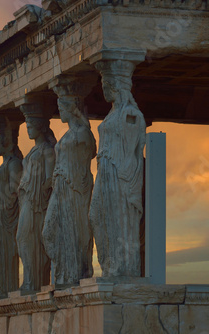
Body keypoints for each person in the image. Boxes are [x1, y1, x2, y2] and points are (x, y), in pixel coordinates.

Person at [90, 60, 146, 277]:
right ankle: (108, 266)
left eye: (107, 84)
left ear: (118, 85)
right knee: (96, 215)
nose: (104, 88)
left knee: (119, 220)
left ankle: (120, 270)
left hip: (119, 174)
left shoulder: (130, 113)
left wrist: (125, 173)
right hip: (104, 173)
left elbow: (135, 147)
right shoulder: (112, 114)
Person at [43, 95, 96, 285]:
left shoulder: (82, 133)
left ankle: (73, 275)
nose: (60, 111)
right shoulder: (67, 135)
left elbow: (91, 152)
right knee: (48, 231)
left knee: (73, 229)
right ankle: (63, 272)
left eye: (62, 107)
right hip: (60, 186)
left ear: (71, 108)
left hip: (74, 188)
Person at [17, 117, 56, 291]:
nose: (28, 129)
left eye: (31, 125)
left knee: (28, 239)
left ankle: (33, 281)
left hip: (37, 203)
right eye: (27, 126)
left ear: (41, 127)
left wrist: (40, 190)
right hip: (27, 200)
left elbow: (50, 179)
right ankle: (30, 280)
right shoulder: (34, 150)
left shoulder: (47, 150)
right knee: (23, 239)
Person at [0, 118, 23, 296]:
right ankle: (2, 286)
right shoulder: (5, 164)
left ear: (6, 140)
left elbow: (15, 191)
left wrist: (0, 204)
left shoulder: (14, 164)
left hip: (5, 217)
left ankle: (7, 287)